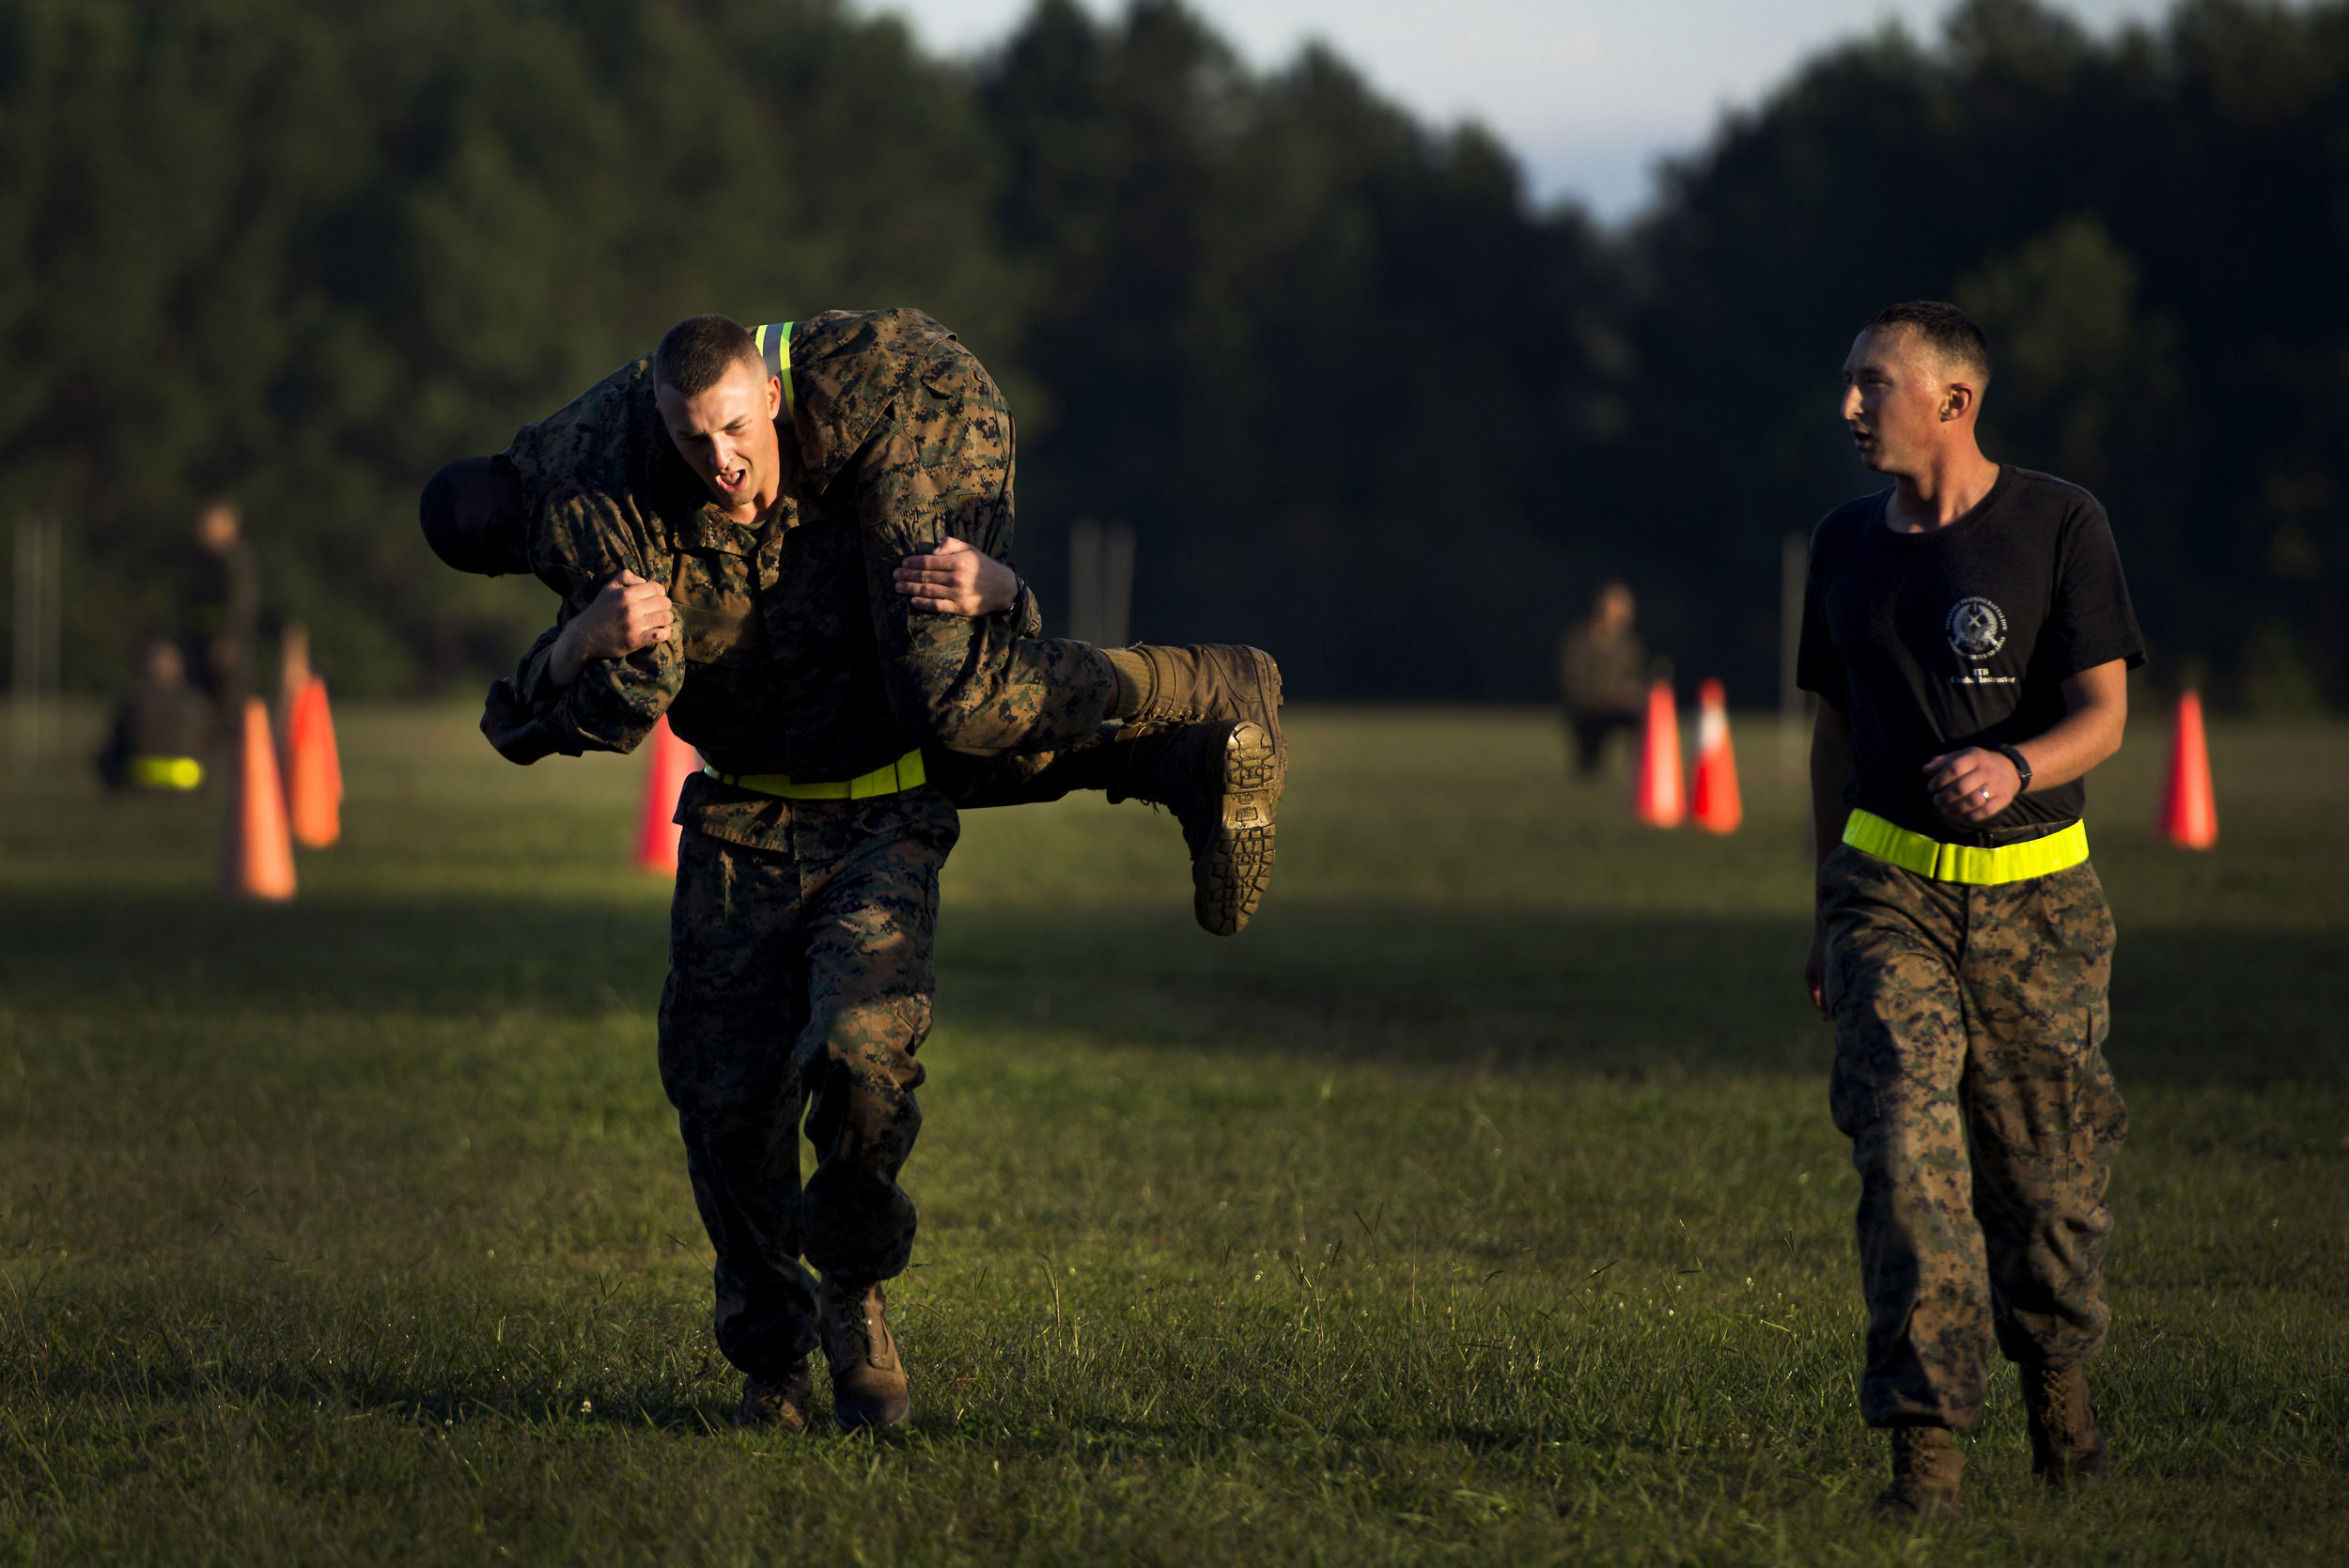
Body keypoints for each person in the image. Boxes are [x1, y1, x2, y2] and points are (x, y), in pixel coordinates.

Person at [428, 309, 1286, 1436]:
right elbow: (591, 711)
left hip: (881, 819)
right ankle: (771, 1361)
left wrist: (1007, 594)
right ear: (659, 433)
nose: (721, 463)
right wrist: (581, 639)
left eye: (737, 431)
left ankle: (855, 1301)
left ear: (772, 399)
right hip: (743, 823)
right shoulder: (616, 513)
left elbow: (965, 635)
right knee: (723, 1107)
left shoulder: (883, 440)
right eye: (695, 444)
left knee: (861, 1057)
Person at [1798, 302, 2140, 1522]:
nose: (1847, 407)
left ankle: (2060, 1396)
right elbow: (1832, 739)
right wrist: (1822, 910)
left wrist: (2018, 766)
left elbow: (2103, 713)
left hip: (2042, 902)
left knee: (2049, 1191)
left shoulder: (2059, 524)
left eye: (1871, 384)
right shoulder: (1842, 548)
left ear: (1954, 400)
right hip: (1889, 897)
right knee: (1905, 1163)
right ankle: (1925, 1459)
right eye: (1845, 383)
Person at [95, 639, 216, 792]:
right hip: (191, 790)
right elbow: (215, 748)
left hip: (139, 789)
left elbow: (114, 751)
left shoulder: (132, 704)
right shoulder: (200, 705)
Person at [1555, 581, 1647, 776]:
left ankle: (1643, 771)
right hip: (1589, 711)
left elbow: (1638, 678)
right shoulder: (1580, 642)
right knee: (1589, 769)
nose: (1625, 611)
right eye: (1620, 605)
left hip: (1620, 711)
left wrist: (1635, 694)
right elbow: (1574, 685)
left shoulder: (1629, 646)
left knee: (1646, 716)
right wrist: (1614, 695)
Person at [182, 499, 258, 713]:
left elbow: (242, 602)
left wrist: (230, 637)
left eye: (211, 525)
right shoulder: (205, 560)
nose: (204, 530)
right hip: (206, 641)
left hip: (227, 646)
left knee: (230, 704)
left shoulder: (235, 560)